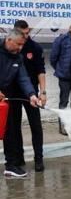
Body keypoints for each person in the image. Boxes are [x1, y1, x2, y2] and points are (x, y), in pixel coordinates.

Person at [0, 29, 39, 177]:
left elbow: (23, 78)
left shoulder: (18, 57)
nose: (20, 48)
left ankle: (10, 165)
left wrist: (32, 95)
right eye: (18, 44)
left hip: (5, 96)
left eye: (23, 45)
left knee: (9, 130)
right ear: (9, 40)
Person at [12, 20, 46, 172]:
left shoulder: (35, 47)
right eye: (22, 34)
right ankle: (19, 158)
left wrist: (42, 92)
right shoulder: (10, 47)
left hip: (31, 92)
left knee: (36, 126)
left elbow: (41, 70)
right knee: (14, 126)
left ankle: (39, 158)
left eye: (27, 33)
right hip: (12, 92)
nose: (25, 37)